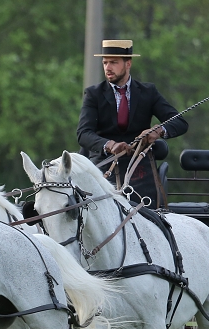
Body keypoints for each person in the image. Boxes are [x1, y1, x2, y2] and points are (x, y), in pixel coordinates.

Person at [77, 39, 188, 208]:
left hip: (139, 170)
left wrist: (159, 131)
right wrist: (109, 145)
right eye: (105, 62)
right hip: (104, 169)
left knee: (148, 215)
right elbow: (83, 133)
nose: (108, 67)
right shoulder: (94, 94)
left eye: (113, 62)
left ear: (128, 64)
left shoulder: (148, 92)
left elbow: (179, 122)